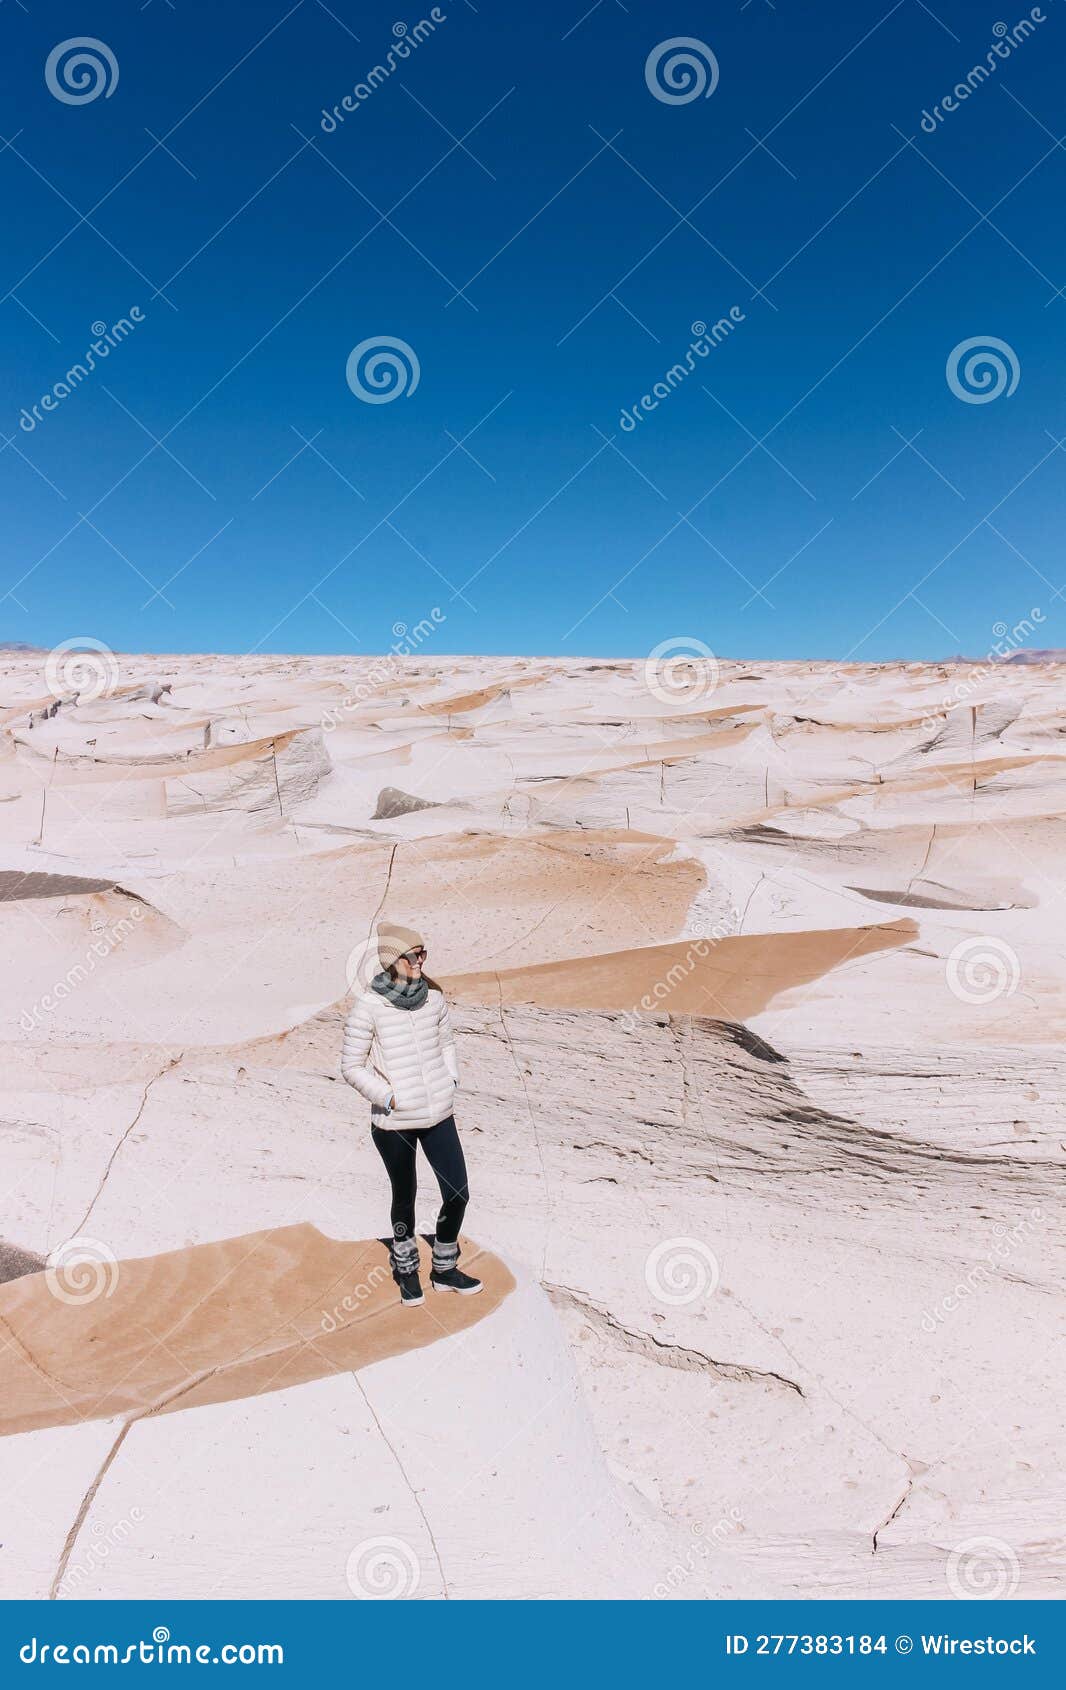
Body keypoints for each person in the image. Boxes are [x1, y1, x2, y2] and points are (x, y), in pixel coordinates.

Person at [341, 923, 482, 1307]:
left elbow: (447, 1043)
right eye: (412, 954)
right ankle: (406, 1270)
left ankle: (444, 1268)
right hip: (394, 1123)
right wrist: (388, 1098)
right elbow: (351, 1066)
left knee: (458, 1192)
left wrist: (450, 1080)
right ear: (393, 961)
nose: (420, 961)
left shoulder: (434, 999)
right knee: (406, 1196)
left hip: (438, 1113)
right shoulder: (369, 1006)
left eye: (423, 953)